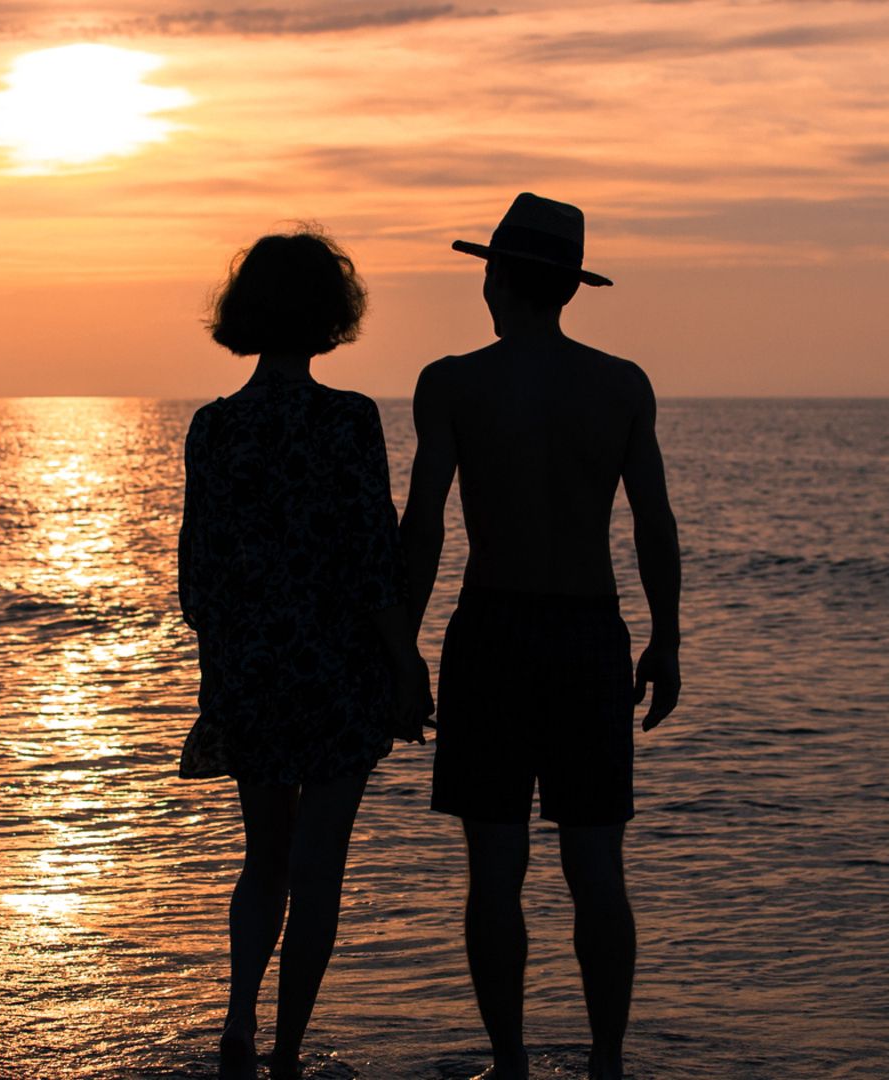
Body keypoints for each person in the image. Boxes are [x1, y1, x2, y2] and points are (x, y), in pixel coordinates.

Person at [399, 193, 683, 1080]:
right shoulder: (621, 384)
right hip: (591, 629)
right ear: (566, 287)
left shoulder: (453, 382)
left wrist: (399, 643)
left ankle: (512, 1064)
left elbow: (424, 527)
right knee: (596, 860)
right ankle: (604, 1063)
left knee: (496, 866)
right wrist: (667, 637)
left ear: (498, 279)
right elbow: (654, 525)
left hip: (493, 627)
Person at [177, 226, 433, 1079]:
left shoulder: (214, 430)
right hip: (337, 672)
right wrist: (406, 661)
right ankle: (287, 1054)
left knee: (265, 861)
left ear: (247, 311)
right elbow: (371, 559)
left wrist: (224, 670)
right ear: (331, 315)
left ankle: (239, 1022)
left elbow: (197, 577)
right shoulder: (348, 422)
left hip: (252, 670)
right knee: (318, 869)